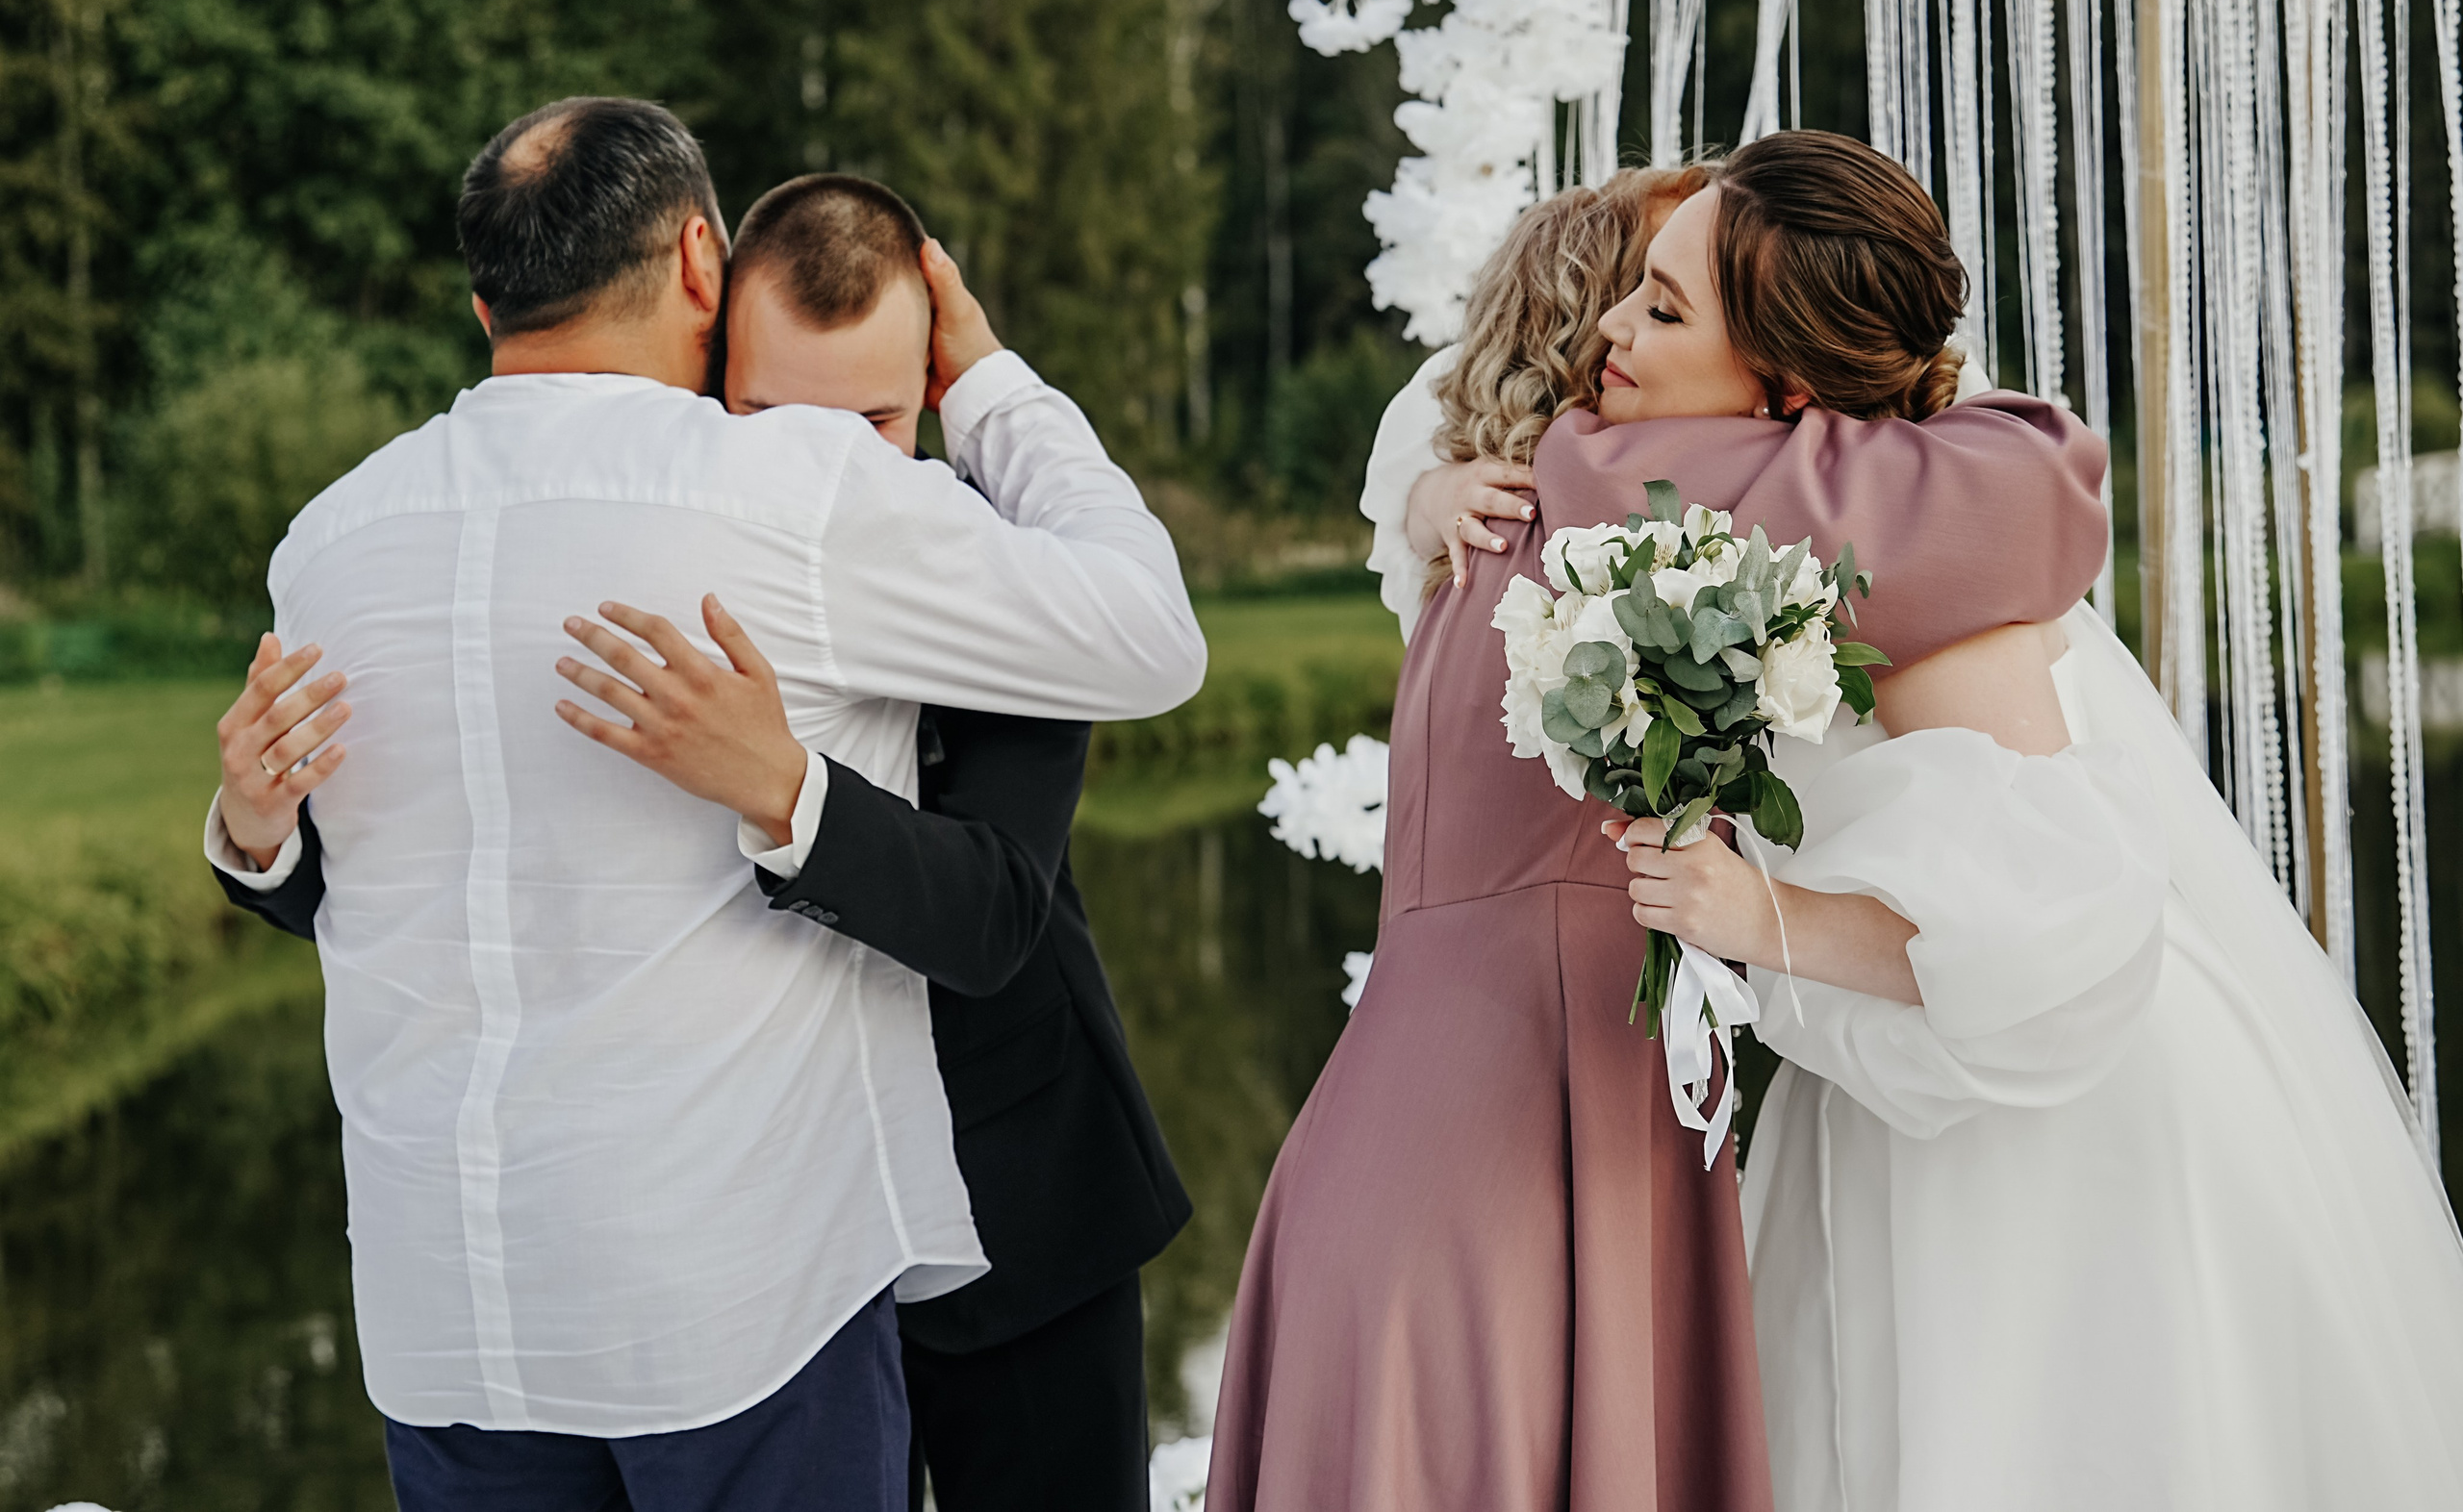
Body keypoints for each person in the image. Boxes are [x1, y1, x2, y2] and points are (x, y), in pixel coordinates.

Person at [202, 97, 1206, 1512]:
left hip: (462, 1317)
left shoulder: (330, 545)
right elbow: (1151, 632)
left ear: (484, 299)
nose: (847, 441)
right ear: (696, 267)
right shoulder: (782, 495)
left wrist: (254, 832)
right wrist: (258, 839)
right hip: (738, 1303)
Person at [1204, 134, 2108, 1512]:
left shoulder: (1489, 520)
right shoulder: (1636, 493)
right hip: (1519, 1121)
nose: (1632, 332)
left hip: (1436, 1104)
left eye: (1672, 307)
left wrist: (1420, 499)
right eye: (1639, 297)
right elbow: (2038, 492)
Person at [1588, 146, 2463, 1508]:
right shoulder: (1836, 517)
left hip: (2049, 1142)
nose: (1611, 334)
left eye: (1660, 308)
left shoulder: (1918, 564)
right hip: (1920, 1099)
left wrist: (1761, 919)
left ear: (1789, 385)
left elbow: (2065, 921)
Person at [578, 171, 1189, 1512]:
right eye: (773, 421)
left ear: (934, 385)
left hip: (1011, 1209)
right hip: (751, 1249)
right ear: (704, 391)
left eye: (874, 420)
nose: (829, 468)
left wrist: (786, 786)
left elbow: (990, 918)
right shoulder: (614, 548)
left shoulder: (998, 570)